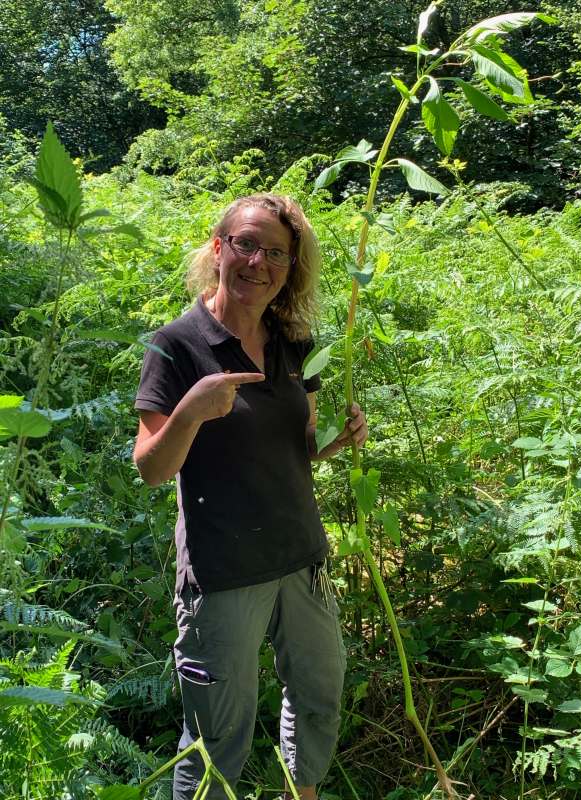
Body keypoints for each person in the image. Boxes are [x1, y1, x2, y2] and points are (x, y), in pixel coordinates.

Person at [133, 193, 368, 800]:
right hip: (224, 571)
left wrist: (334, 442)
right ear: (219, 248)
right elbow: (151, 468)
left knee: (318, 696)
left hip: (300, 555)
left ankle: (303, 792)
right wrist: (189, 412)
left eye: (276, 253)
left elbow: (296, 443)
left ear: (290, 269)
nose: (257, 262)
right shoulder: (176, 344)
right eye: (245, 243)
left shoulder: (294, 341)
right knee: (217, 736)